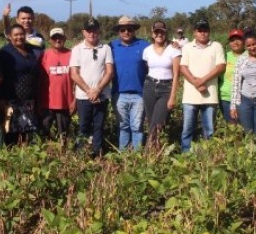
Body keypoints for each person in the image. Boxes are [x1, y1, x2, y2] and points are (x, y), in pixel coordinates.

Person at [69, 18, 114, 157]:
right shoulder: (77, 49)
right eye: (89, 31)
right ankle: (81, 154)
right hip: (83, 96)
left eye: (94, 30)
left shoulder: (105, 48)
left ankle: (97, 154)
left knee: (99, 127)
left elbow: (109, 71)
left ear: (98, 31)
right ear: (83, 32)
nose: (92, 33)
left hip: (101, 95)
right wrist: (89, 91)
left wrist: (98, 90)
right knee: (83, 127)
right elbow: (74, 74)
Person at [179, 20, 226, 152]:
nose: (202, 33)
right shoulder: (187, 47)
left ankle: (208, 157)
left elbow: (221, 66)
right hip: (190, 97)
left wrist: (202, 81)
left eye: (205, 30)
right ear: (194, 32)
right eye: (199, 30)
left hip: (210, 96)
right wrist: (196, 83)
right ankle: (186, 156)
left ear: (209, 32)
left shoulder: (216, 46)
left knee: (209, 130)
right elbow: (183, 67)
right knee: (187, 129)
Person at [110, 15, 150, 151]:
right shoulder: (111, 46)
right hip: (118, 93)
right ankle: (124, 155)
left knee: (137, 127)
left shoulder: (144, 46)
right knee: (123, 127)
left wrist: (172, 43)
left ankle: (136, 157)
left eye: (130, 29)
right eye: (123, 30)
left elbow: (160, 50)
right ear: (118, 31)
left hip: (139, 94)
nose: (126, 32)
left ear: (134, 31)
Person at [0, 24, 43, 144]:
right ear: (10, 36)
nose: (19, 37)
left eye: (21, 34)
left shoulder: (30, 50)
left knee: (27, 135)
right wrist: (1, 99)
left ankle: (26, 159)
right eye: (16, 35)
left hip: (29, 100)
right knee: (12, 134)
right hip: (12, 99)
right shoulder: (5, 53)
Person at [142, 20, 181, 149]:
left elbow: (176, 74)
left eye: (162, 32)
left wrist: (172, 96)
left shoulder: (174, 50)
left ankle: (150, 149)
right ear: (152, 34)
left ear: (166, 33)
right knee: (150, 120)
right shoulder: (147, 51)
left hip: (166, 88)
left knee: (158, 121)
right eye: (156, 32)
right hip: (149, 86)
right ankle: (156, 149)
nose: (159, 34)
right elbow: (147, 68)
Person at [38, 28, 75, 144]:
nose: (58, 40)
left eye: (60, 37)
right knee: (43, 134)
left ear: (65, 39)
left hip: (65, 103)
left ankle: (63, 156)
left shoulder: (72, 54)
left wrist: (74, 101)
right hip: (46, 103)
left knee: (63, 135)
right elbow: (38, 79)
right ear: (50, 40)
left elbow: (78, 78)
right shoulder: (44, 54)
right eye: (54, 38)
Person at [218, 29, 246, 123]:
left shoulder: (250, 55)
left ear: (244, 41)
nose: (235, 42)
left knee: (246, 127)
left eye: (238, 39)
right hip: (225, 98)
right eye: (232, 40)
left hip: (245, 99)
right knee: (232, 126)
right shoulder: (224, 56)